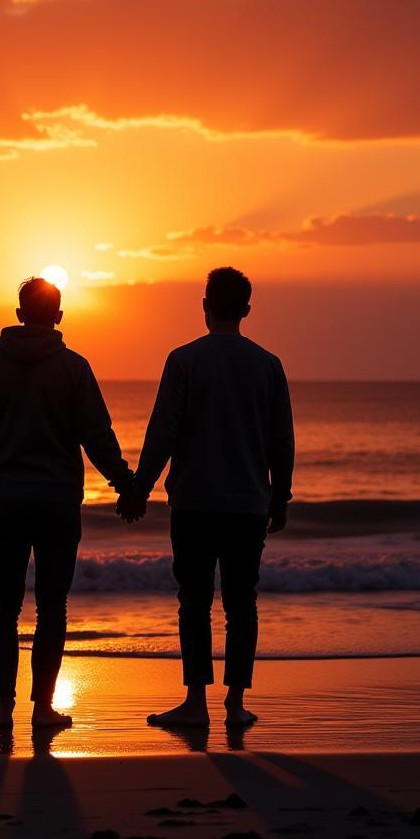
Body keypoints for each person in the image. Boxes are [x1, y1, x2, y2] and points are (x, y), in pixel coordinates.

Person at [0, 277, 137, 730]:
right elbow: (97, 437)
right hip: (58, 503)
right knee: (52, 606)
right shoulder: (73, 368)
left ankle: (4, 709)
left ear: (20, 313)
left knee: (3, 605)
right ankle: (42, 709)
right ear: (59, 317)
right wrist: (125, 483)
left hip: (6, 501)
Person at [119, 267, 294, 728]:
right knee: (242, 603)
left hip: (194, 502)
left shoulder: (183, 360)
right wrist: (281, 497)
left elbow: (163, 432)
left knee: (193, 602)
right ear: (247, 310)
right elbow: (282, 440)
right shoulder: (268, 365)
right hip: (247, 504)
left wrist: (140, 488)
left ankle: (195, 702)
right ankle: (235, 704)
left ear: (204, 306)